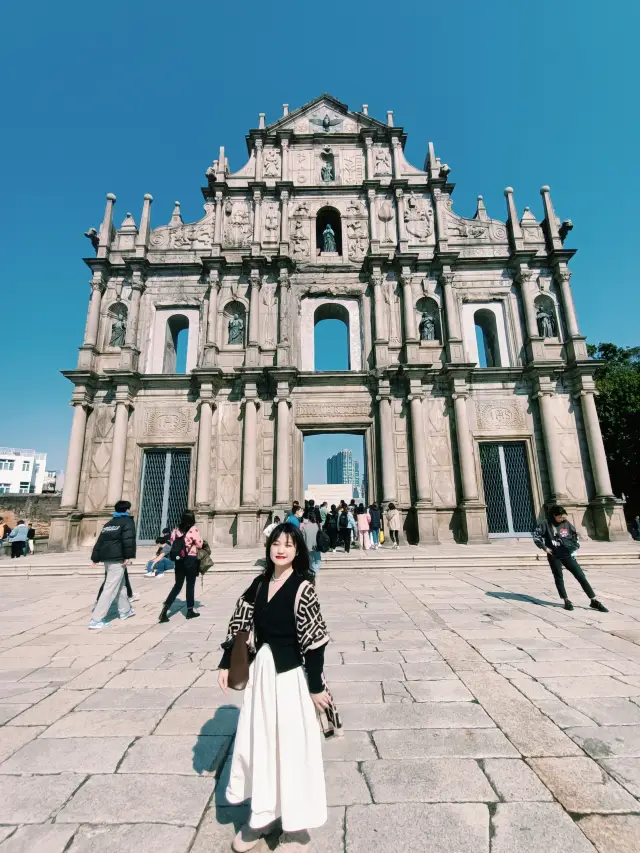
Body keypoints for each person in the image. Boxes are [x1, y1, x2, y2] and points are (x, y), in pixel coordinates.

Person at [218, 522, 331, 852]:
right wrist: (227, 663)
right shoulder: (258, 584)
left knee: (293, 749)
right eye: (276, 543)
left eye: (288, 544)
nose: (281, 549)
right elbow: (239, 624)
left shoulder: (302, 587)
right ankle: (262, 815)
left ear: (298, 551)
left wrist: (315, 687)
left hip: (291, 678)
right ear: (268, 548)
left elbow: (316, 643)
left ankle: (296, 828)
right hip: (263, 677)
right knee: (259, 745)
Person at [533, 505, 608, 612]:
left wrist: (575, 547)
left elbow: (574, 535)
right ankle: (566, 600)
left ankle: (593, 600)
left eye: (564, 516)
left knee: (580, 576)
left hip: (567, 554)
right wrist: (544, 548)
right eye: (561, 517)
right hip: (555, 555)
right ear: (554, 516)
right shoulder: (545, 523)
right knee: (559, 577)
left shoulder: (566, 523)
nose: (563, 519)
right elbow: (536, 535)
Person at [88, 500, 137, 630]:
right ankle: (96, 619)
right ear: (127, 510)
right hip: (117, 558)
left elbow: (100, 541)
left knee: (120, 586)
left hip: (107, 558)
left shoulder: (109, 523)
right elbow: (128, 541)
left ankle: (125, 610)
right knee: (110, 588)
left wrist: (95, 557)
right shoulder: (127, 522)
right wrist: (127, 556)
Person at [158, 510, 203, 622]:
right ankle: (190, 610)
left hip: (179, 561)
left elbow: (172, 542)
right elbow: (200, 544)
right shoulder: (193, 529)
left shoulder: (175, 530)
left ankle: (165, 610)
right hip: (190, 559)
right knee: (190, 585)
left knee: (177, 585)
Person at [302, 507, 322, 578]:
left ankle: (311, 572)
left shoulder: (304, 526)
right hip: (316, 546)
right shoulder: (316, 525)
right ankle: (315, 571)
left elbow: (303, 538)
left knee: (310, 561)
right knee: (317, 560)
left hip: (307, 546)